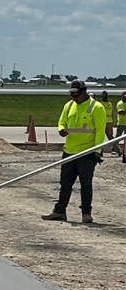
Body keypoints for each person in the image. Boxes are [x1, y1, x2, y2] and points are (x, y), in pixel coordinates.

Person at [42, 80, 106, 224]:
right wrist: (61, 129)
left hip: (86, 152)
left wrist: (97, 151)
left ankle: (86, 213)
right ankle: (59, 211)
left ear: (83, 92)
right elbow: (61, 121)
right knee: (65, 183)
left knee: (86, 183)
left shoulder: (97, 108)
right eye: (72, 95)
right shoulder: (69, 105)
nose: (74, 98)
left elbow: (100, 132)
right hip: (69, 151)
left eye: (76, 95)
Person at [101, 91, 122, 156]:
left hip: (102, 121)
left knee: (100, 137)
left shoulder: (100, 104)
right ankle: (118, 150)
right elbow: (112, 113)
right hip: (109, 121)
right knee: (110, 137)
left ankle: (99, 151)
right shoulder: (110, 104)